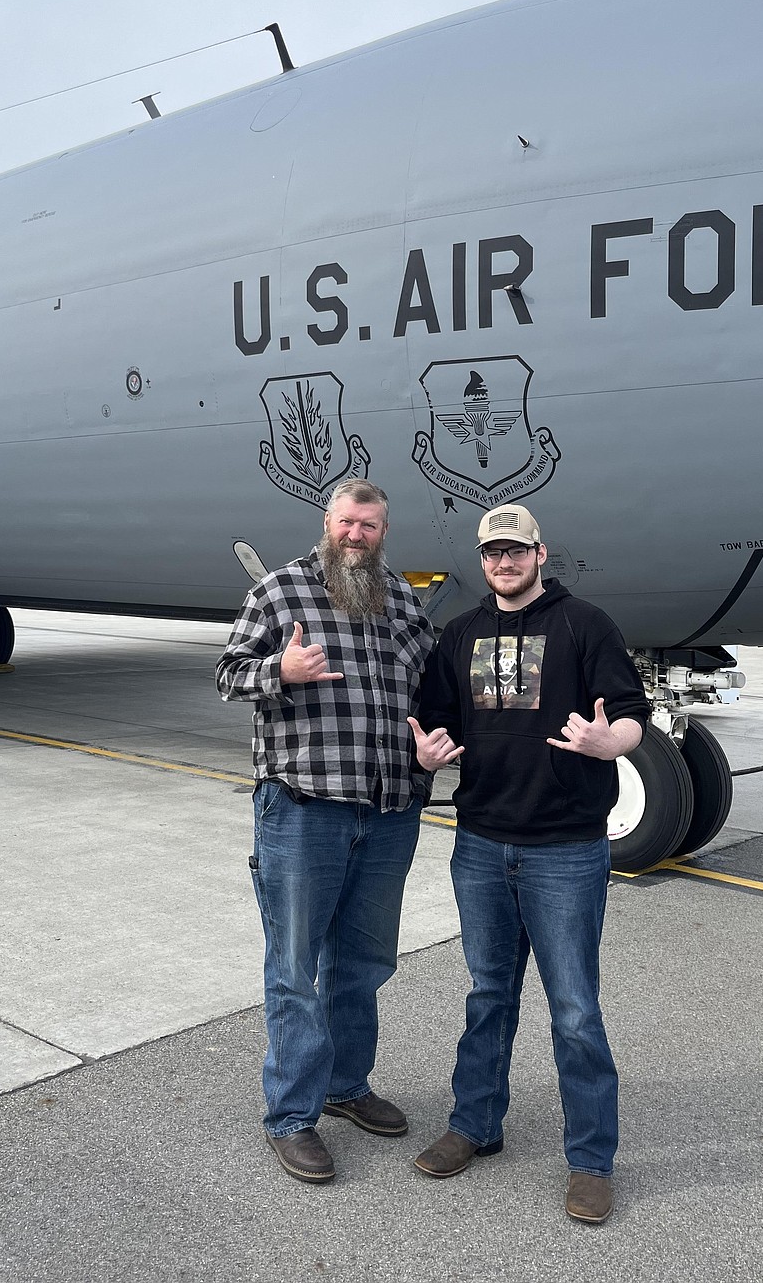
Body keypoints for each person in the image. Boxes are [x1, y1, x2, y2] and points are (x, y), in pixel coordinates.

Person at [408, 503, 649, 1225]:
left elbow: (631, 711)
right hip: (480, 841)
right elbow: (435, 717)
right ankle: (474, 1125)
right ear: (482, 561)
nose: (504, 563)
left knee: (574, 1009)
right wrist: (426, 753)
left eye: (517, 551)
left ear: (541, 554)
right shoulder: (461, 633)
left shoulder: (585, 625)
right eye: (493, 554)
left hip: (566, 849)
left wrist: (615, 744)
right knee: (488, 994)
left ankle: (591, 1161)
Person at [215, 479, 435, 1185]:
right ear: (327, 524)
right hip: (304, 807)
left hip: (389, 807)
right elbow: (228, 675)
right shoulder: (280, 593)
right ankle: (292, 1116)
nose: (356, 535)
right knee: (296, 968)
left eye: (369, 525)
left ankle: (346, 1085)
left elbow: (430, 690)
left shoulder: (401, 600)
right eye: (346, 522)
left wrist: (433, 746)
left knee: (365, 963)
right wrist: (281, 668)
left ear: (383, 531)